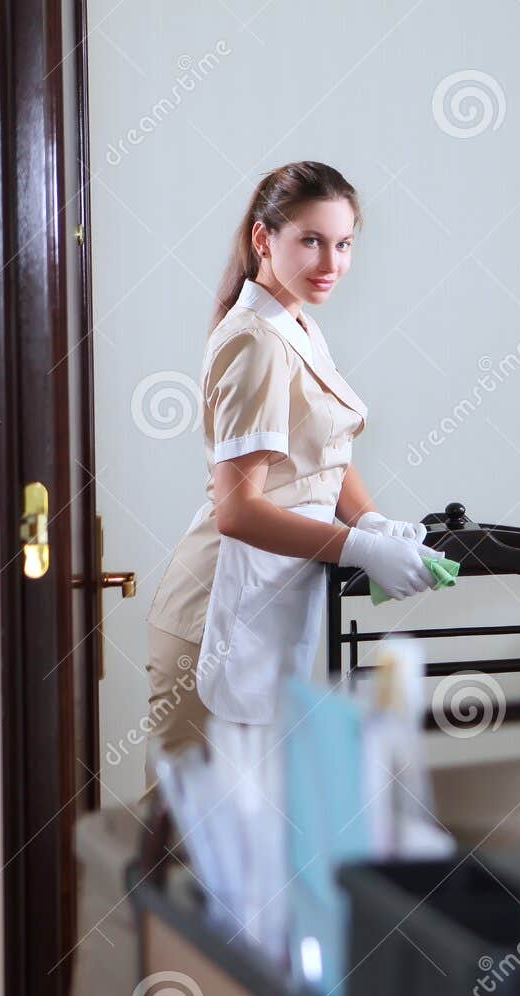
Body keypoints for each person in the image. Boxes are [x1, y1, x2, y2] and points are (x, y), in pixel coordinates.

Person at [142, 160, 439, 786]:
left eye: (344, 243)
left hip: (265, 599)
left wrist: (372, 521)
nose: (330, 262)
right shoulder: (256, 340)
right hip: (215, 611)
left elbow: (326, 454)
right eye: (311, 240)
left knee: (261, 839)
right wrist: (358, 547)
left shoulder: (297, 322)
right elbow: (238, 510)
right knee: (189, 850)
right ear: (262, 239)